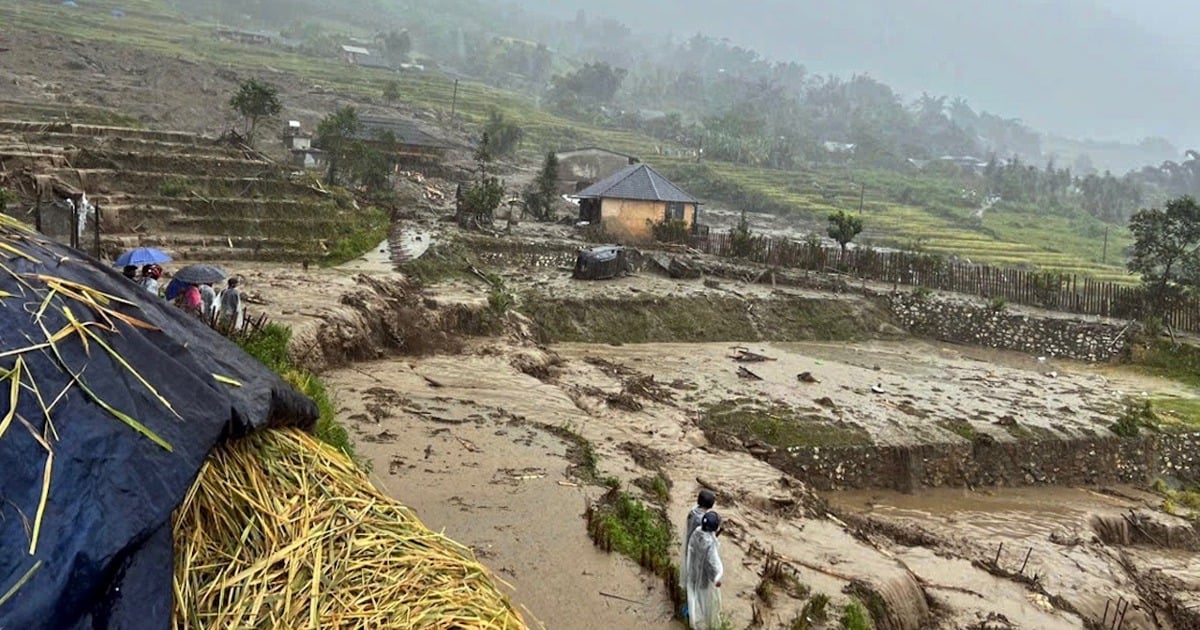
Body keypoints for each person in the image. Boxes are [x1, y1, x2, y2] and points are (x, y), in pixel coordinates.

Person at [685, 511, 724, 630]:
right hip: (703, 578)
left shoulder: (696, 532)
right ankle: (700, 622)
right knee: (703, 600)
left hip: (692, 571)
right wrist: (716, 578)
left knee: (692, 593)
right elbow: (713, 563)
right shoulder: (710, 543)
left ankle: (689, 613)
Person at [682, 489, 716, 585]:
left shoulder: (692, 512)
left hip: (690, 545)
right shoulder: (703, 519)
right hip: (698, 550)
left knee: (691, 570)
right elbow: (707, 540)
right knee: (700, 576)